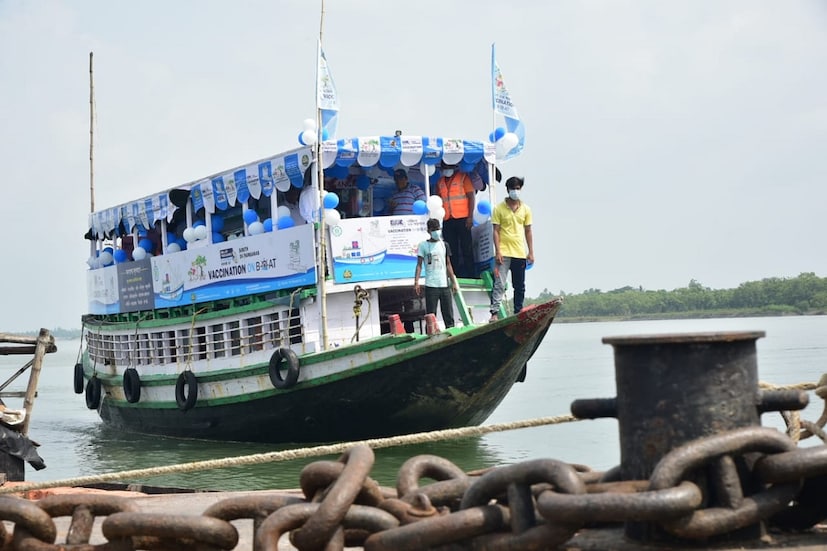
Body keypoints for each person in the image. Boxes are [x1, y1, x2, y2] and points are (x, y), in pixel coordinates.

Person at [489, 176, 533, 322]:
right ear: (508, 190)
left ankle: (518, 312)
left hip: (519, 252)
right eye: (513, 189)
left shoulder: (526, 209)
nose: (515, 191)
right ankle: (494, 312)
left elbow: (528, 231)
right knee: (500, 283)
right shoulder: (499, 208)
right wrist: (498, 251)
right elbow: (495, 230)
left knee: (519, 285)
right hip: (504, 252)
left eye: (518, 188)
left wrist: (531, 252)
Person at [414, 218, 459, 328]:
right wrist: (416, 282)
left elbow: (448, 264)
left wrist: (453, 282)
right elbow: (419, 265)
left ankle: (451, 334)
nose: (436, 232)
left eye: (437, 229)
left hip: (444, 285)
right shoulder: (423, 245)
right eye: (433, 229)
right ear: (428, 231)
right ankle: (430, 335)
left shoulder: (444, 245)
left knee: (448, 314)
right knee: (431, 315)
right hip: (431, 285)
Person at [435, 163, 475, 278]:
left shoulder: (463, 177)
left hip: (463, 218)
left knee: (466, 247)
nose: (447, 170)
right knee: (451, 250)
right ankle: (454, 275)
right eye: (445, 168)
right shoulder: (440, 182)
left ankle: (471, 275)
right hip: (447, 219)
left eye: (449, 167)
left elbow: (471, 197)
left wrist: (470, 217)